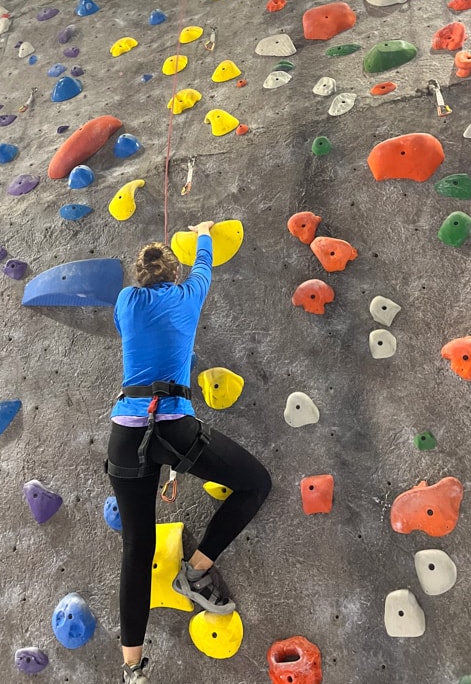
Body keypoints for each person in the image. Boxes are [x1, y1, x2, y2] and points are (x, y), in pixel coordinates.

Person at [107, 221, 272, 684]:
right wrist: (202, 232)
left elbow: (124, 323)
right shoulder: (187, 295)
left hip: (125, 433)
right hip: (175, 430)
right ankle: (195, 572)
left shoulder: (126, 301)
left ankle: (131, 670)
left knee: (137, 547)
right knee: (256, 483)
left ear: (139, 277)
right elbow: (206, 265)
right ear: (173, 274)